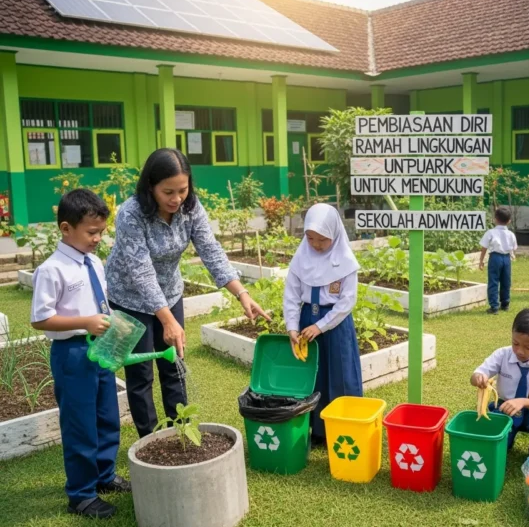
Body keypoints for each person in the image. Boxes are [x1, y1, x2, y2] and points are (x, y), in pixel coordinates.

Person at [105, 148, 269, 438]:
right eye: (168, 192)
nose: (176, 199)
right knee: (141, 373)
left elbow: (211, 250)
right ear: (150, 186)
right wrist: (167, 320)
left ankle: (181, 432)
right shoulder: (131, 214)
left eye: (183, 190)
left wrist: (242, 294)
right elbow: (141, 272)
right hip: (129, 298)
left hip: (169, 293)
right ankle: (150, 440)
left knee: (174, 363)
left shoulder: (191, 208)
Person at [30, 189, 129, 518]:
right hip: (72, 353)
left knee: (106, 417)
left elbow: (100, 302)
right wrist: (84, 322)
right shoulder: (52, 269)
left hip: (100, 349)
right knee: (80, 424)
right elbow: (40, 319)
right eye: (91, 232)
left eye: (101, 231)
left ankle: (104, 475)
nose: (98, 238)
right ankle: (82, 494)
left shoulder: (94, 262)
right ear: (66, 228)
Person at [283, 203, 362, 444]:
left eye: (322, 239)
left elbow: (347, 302)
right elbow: (291, 295)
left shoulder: (346, 262)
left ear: (335, 234)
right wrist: (292, 327)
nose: (316, 244)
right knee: (313, 376)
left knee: (340, 375)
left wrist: (321, 326)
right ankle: (317, 431)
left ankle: (344, 429)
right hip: (307, 320)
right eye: (310, 238)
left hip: (335, 325)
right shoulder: (300, 259)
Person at [471, 308, 529, 456]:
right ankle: (507, 435)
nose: (520, 351)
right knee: (501, 446)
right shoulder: (502, 354)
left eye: (528, 347)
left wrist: (522, 402)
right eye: (515, 343)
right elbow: (476, 375)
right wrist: (478, 377)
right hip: (506, 408)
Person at [478, 207, 518, 315]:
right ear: (509, 221)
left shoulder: (490, 232)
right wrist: (512, 255)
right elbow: (514, 248)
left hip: (495, 258)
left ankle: (494, 306)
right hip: (506, 259)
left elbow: (484, 247)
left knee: (493, 281)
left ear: (495, 219)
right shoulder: (511, 234)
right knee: (506, 281)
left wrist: (481, 261)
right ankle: (505, 304)